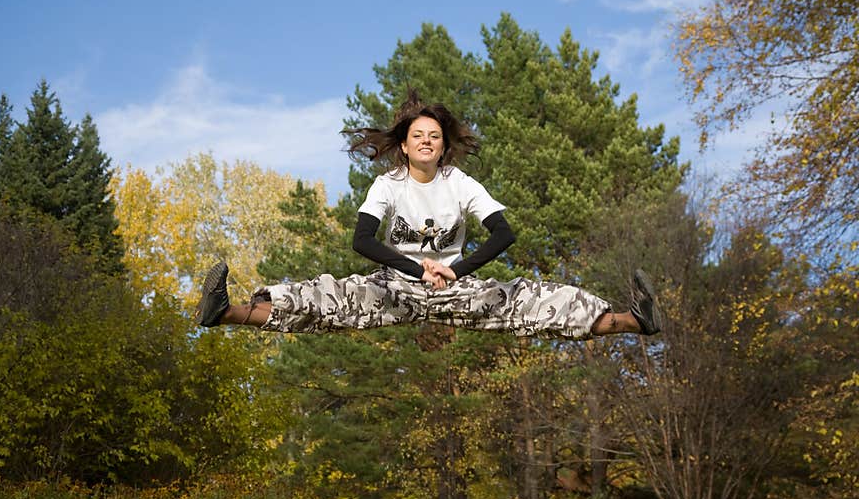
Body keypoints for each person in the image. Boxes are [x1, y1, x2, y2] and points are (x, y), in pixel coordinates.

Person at [195, 90, 661, 339]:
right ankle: (224, 312)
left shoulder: (459, 183)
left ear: (442, 146)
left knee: (535, 303)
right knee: (323, 300)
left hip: (454, 287)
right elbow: (362, 240)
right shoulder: (387, 185)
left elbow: (504, 234)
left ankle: (634, 321)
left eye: (435, 136)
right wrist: (419, 268)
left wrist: (455, 272)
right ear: (404, 144)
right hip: (393, 285)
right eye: (418, 134)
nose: (426, 141)